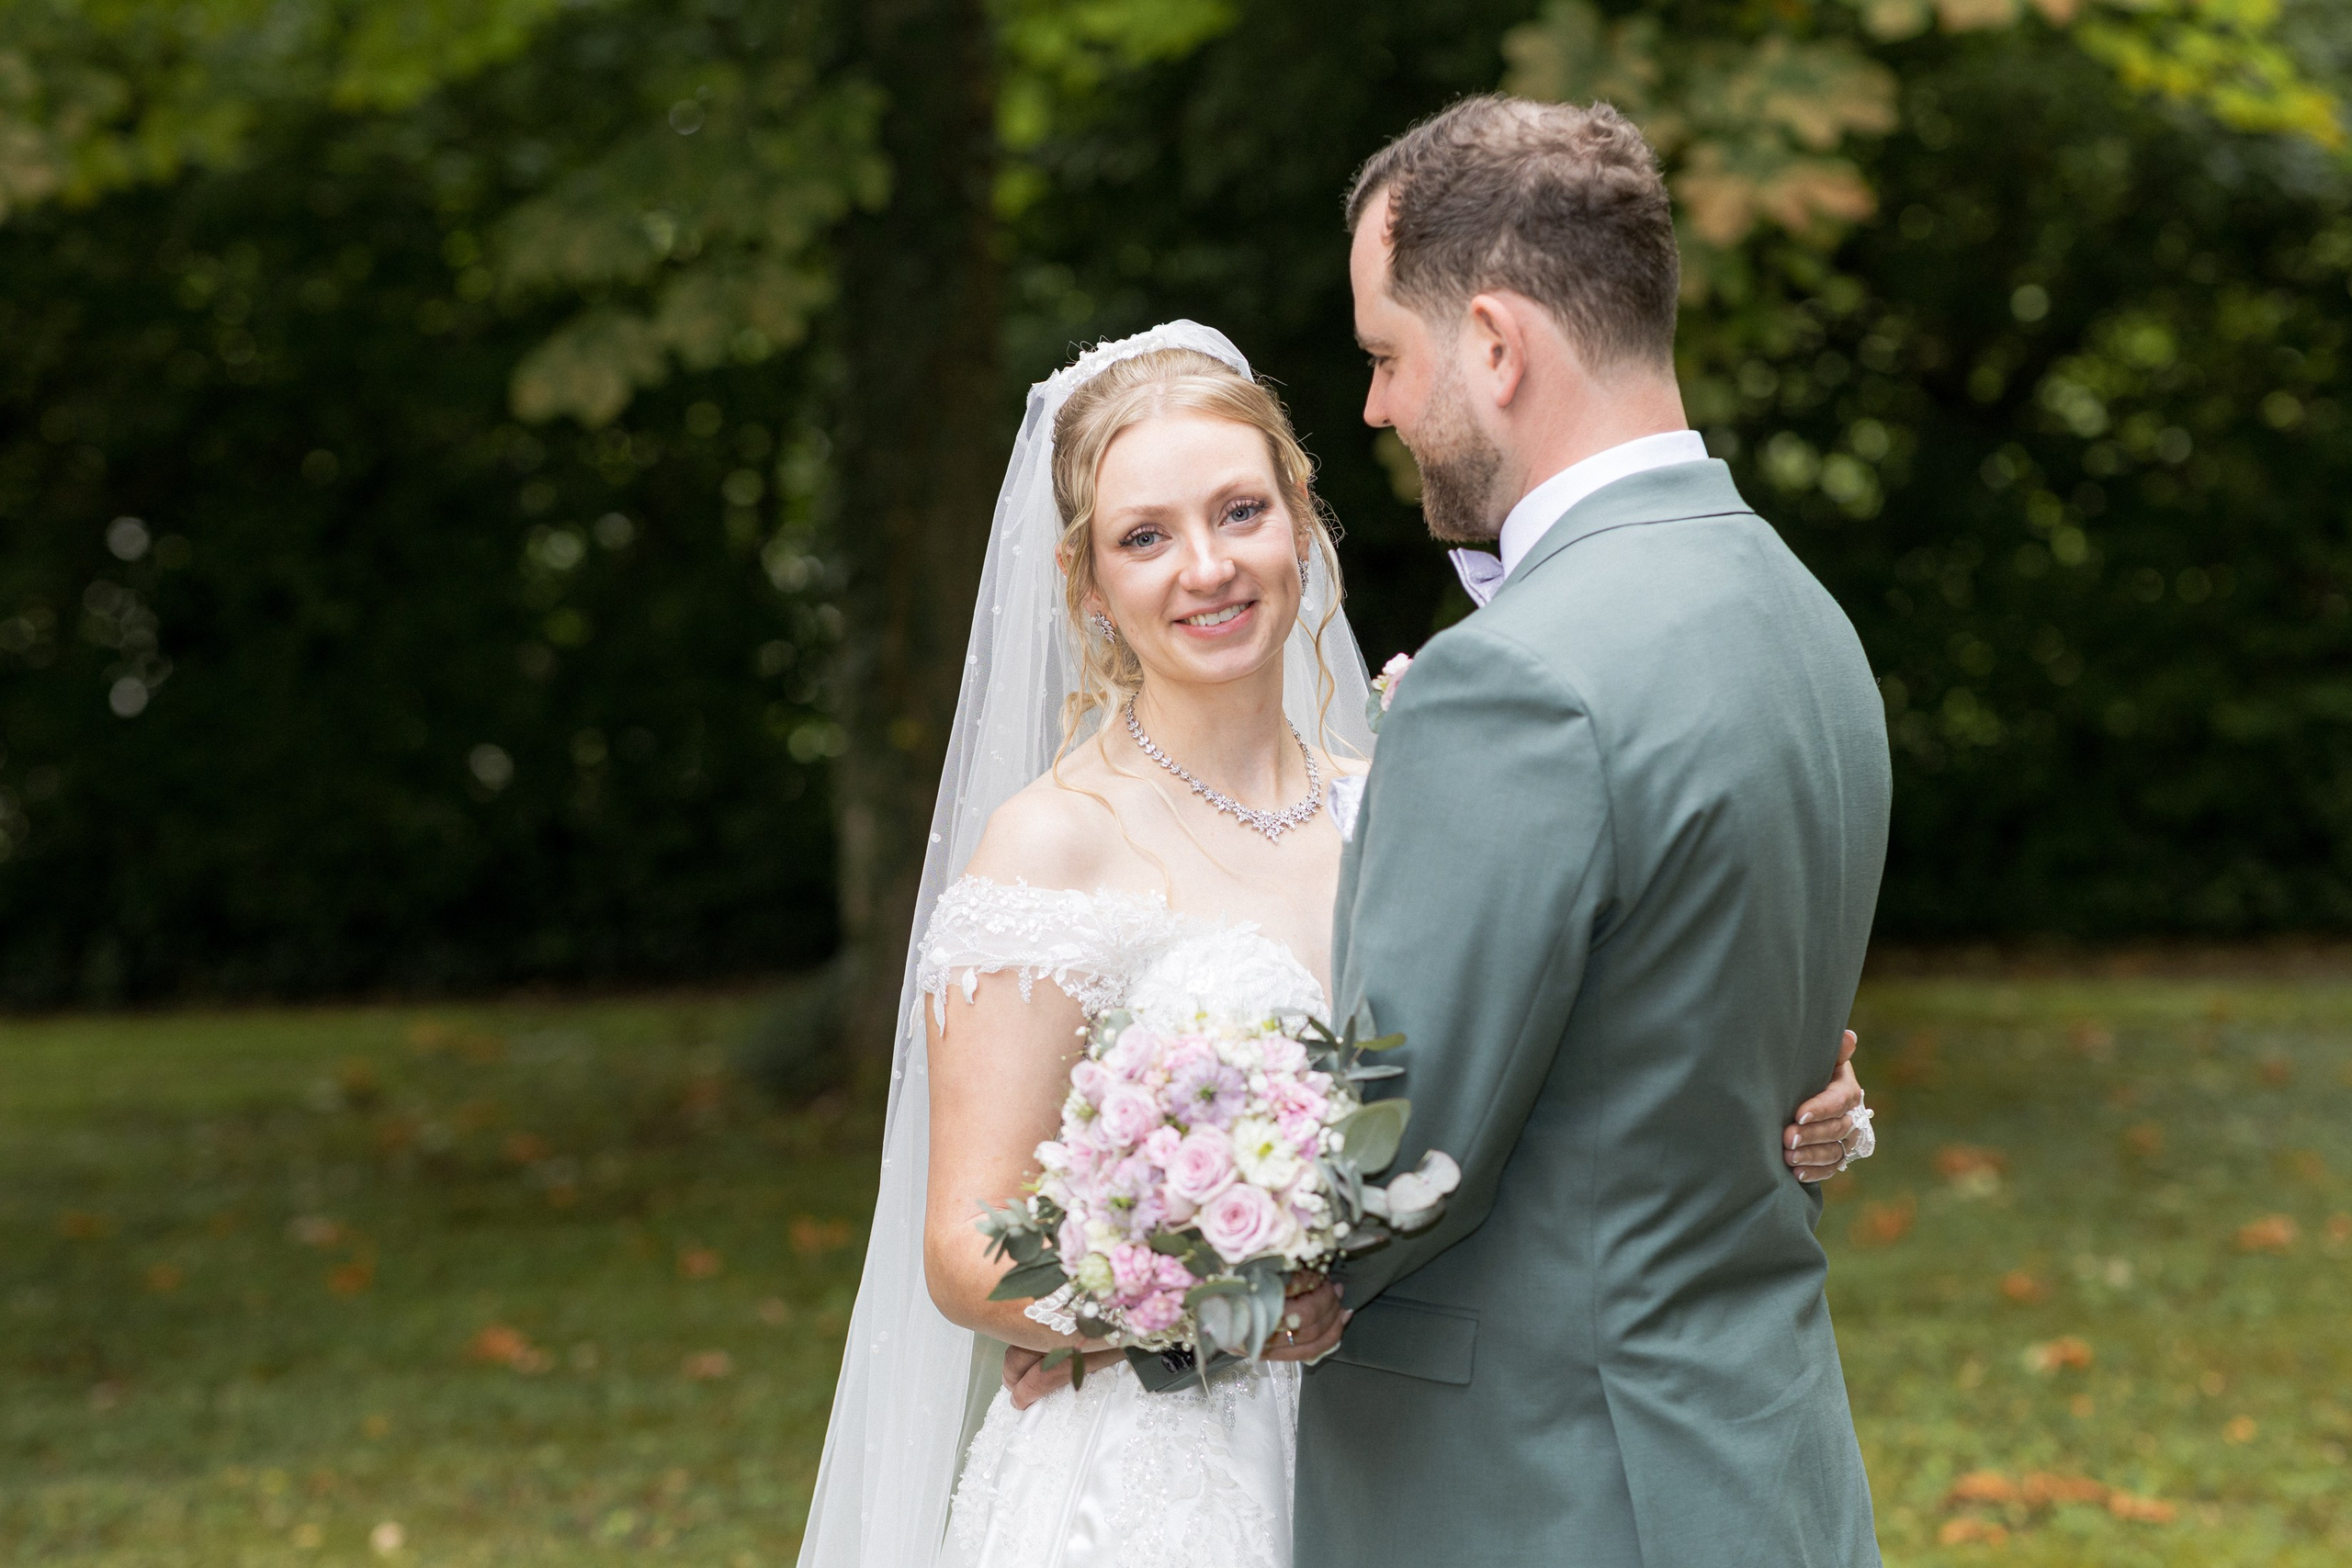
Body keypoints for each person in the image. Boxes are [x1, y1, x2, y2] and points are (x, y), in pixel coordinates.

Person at [793, 311, 1874, 1568]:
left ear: (1303, 519)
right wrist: (1204, 1293)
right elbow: (970, 1244)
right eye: (1146, 537)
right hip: (1161, 1482)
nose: (1207, 567)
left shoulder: (1409, 790)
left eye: (1240, 512)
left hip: (1427, 1449)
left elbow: (1558, 1072)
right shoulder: (1052, 846)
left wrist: (1799, 1096)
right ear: (1088, 583)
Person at [1291, 96, 1890, 1566]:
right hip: (1761, 1460)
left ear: (1495, 345)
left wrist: (1149, 1296)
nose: (1373, 408)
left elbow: (1392, 1150)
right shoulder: (1799, 612)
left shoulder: (1516, 679)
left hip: (1545, 1487)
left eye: (1386, 356)